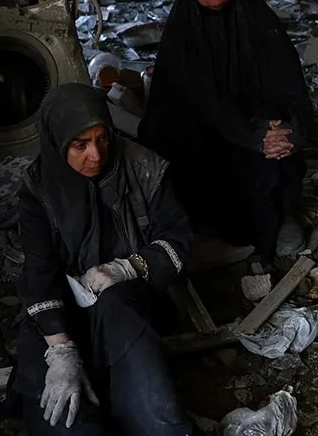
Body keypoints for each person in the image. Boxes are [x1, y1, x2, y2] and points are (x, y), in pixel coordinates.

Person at [11, 83, 193, 436]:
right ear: (57, 140)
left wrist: (130, 266)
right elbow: (40, 271)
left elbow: (178, 242)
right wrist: (61, 351)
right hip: (61, 309)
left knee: (156, 410)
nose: (96, 154)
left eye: (102, 138)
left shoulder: (145, 168)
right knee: (66, 417)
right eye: (80, 145)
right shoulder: (38, 188)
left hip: (129, 298)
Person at [139, 0, 312, 257]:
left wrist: (289, 130)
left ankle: (284, 213)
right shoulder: (182, 36)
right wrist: (254, 134)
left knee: (280, 128)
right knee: (174, 130)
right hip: (207, 133)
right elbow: (201, 102)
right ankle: (197, 221)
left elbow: (291, 88)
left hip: (257, 128)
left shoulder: (261, 24)